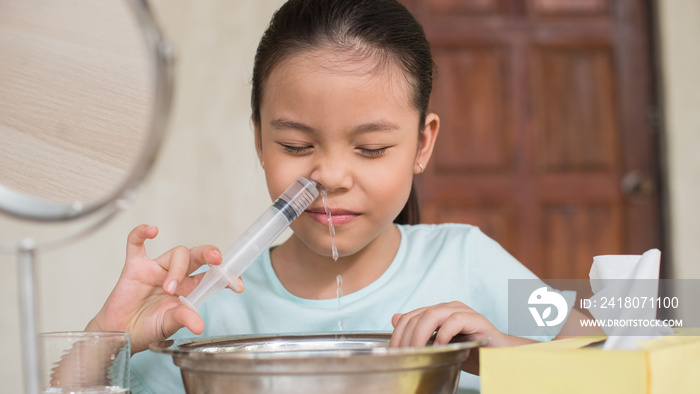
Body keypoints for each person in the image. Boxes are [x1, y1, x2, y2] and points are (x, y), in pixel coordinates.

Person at [86, 0, 590, 392]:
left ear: (422, 143)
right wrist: (107, 337)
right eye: (297, 145)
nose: (328, 175)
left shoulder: (471, 260)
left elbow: (619, 352)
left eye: (370, 149)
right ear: (259, 140)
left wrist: (508, 354)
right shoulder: (206, 310)